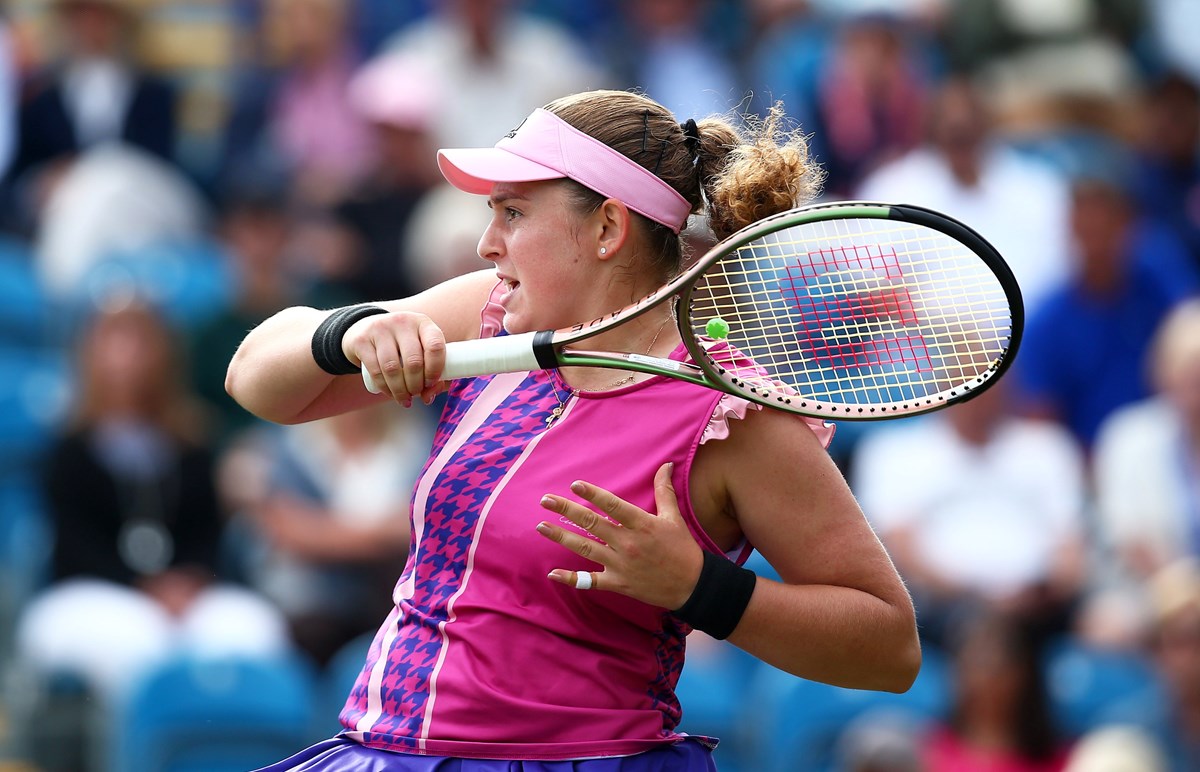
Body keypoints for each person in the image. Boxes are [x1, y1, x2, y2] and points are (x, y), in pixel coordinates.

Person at [226, 88, 921, 770]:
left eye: (514, 212)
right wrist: (349, 333)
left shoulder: (730, 415)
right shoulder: (488, 313)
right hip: (384, 751)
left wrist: (700, 587)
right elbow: (254, 377)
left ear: (608, 228)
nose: (486, 242)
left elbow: (889, 647)